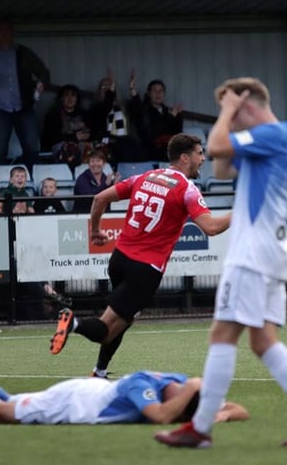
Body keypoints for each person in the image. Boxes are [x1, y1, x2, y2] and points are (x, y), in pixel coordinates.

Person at [154, 78, 287, 449]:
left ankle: (200, 429)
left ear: (247, 105)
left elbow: (217, 146)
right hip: (270, 248)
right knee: (263, 341)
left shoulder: (271, 134)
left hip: (252, 251)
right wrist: (231, 123)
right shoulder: (272, 141)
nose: (231, 122)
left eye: (234, 111)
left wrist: (227, 113)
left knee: (222, 335)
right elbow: (221, 169)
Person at [49, 134, 232, 379]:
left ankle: (100, 371)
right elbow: (211, 227)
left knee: (124, 318)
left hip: (119, 260)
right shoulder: (186, 189)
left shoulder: (146, 176)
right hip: (144, 269)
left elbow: (100, 198)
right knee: (107, 329)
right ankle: (73, 323)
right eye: (199, 153)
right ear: (185, 157)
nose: (202, 158)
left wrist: (94, 230)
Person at [0, 370, 249, 426]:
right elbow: (161, 416)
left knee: (22, 405)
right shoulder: (142, 385)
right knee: (8, 416)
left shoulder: (179, 386)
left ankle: (14, 397)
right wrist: (192, 390)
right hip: (77, 402)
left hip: (87, 393)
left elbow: (241, 410)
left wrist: (219, 414)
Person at [0, 19, 50, 169]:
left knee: (32, 147)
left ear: (12, 34)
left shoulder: (23, 53)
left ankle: (33, 181)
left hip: (24, 107)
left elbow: (43, 72)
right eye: (1, 31)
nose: (4, 34)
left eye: (7, 31)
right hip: (0, 108)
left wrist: (42, 84)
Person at [128, 77, 183, 162]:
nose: (158, 93)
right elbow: (154, 132)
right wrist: (133, 90)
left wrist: (178, 116)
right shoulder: (144, 110)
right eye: (155, 90)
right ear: (149, 93)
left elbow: (177, 133)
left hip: (169, 151)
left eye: (161, 91)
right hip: (150, 152)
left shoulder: (168, 111)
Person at [41, 84, 92, 166]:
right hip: (60, 149)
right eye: (66, 94)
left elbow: (91, 133)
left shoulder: (84, 114)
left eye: (73, 95)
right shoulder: (53, 115)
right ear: (61, 98)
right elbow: (51, 138)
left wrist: (88, 135)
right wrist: (74, 137)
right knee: (70, 148)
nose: (70, 98)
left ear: (77, 99)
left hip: (83, 148)